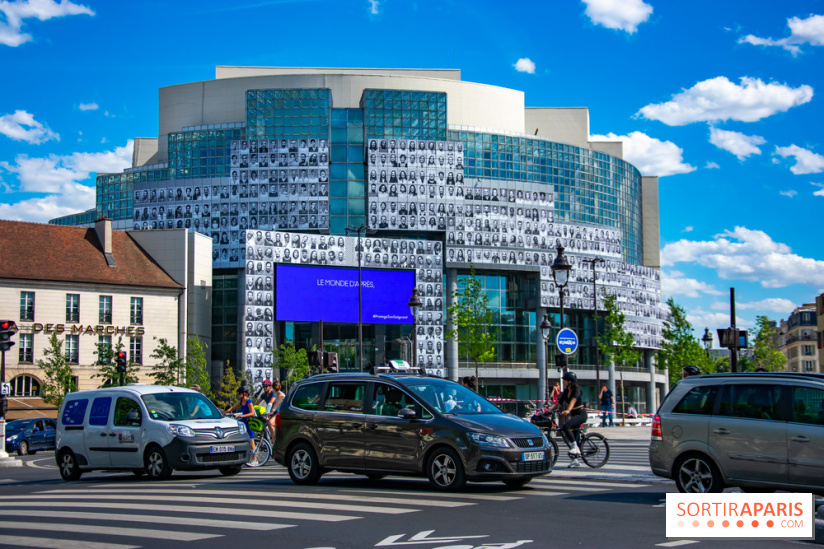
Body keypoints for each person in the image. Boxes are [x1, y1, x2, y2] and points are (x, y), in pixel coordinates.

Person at [558, 371, 587, 468]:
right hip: (574, 414)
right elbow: (560, 402)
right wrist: (550, 410)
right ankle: (575, 460)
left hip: (580, 414)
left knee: (566, 426)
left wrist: (568, 410)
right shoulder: (567, 390)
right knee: (574, 437)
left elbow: (574, 400)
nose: (563, 382)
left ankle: (575, 447)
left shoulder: (576, 389)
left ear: (569, 381)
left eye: (564, 380)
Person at [226, 386, 257, 465]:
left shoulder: (249, 401)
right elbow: (233, 407)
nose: (238, 395)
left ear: (244, 393)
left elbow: (252, 413)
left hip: (249, 421)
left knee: (251, 440)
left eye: (239, 393)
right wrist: (225, 412)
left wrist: (241, 416)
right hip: (243, 422)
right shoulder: (241, 401)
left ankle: (255, 459)